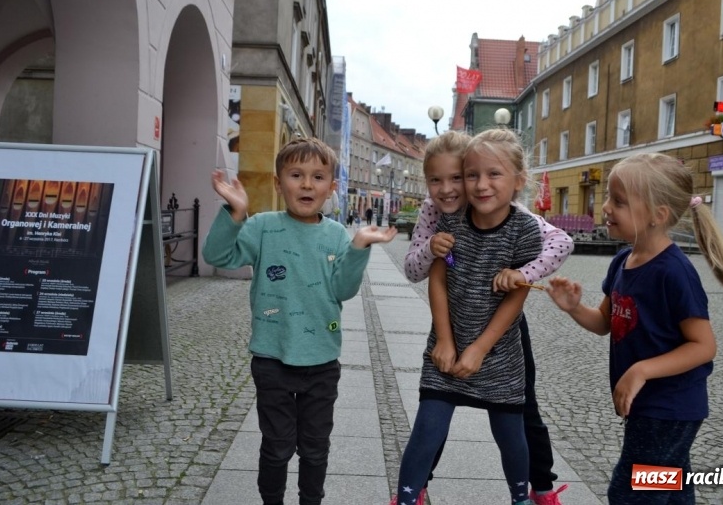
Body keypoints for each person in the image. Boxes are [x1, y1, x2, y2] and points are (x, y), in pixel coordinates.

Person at [545, 152, 723, 504]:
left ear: (658, 215)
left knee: (632, 492)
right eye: (610, 197)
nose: (607, 207)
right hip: (650, 406)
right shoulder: (621, 262)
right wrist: (573, 308)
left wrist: (641, 370)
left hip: (670, 408)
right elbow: (604, 324)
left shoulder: (674, 272)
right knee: (670, 487)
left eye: (620, 201)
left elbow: (703, 346)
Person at [202, 137, 397, 505]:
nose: (307, 184)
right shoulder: (262, 227)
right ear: (279, 183)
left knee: (315, 448)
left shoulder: (337, 235)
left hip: (322, 362)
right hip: (272, 359)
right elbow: (217, 254)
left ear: (331, 188)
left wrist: (358, 248)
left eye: (318, 177)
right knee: (276, 447)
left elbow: (343, 290)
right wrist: (236, 212)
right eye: (296, 175)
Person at [403, 130, 573, 505]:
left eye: (456, 178)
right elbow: (424, 271)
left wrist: (523, 274)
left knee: (522, 411)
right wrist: (432, 249)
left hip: (501, 327)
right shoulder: (441, 214)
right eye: (437, 180)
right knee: (436, 410)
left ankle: (540, 488)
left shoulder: (514, 216)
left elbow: (560, 242)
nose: (449, 190)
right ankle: (415, 488)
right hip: (455, 315)